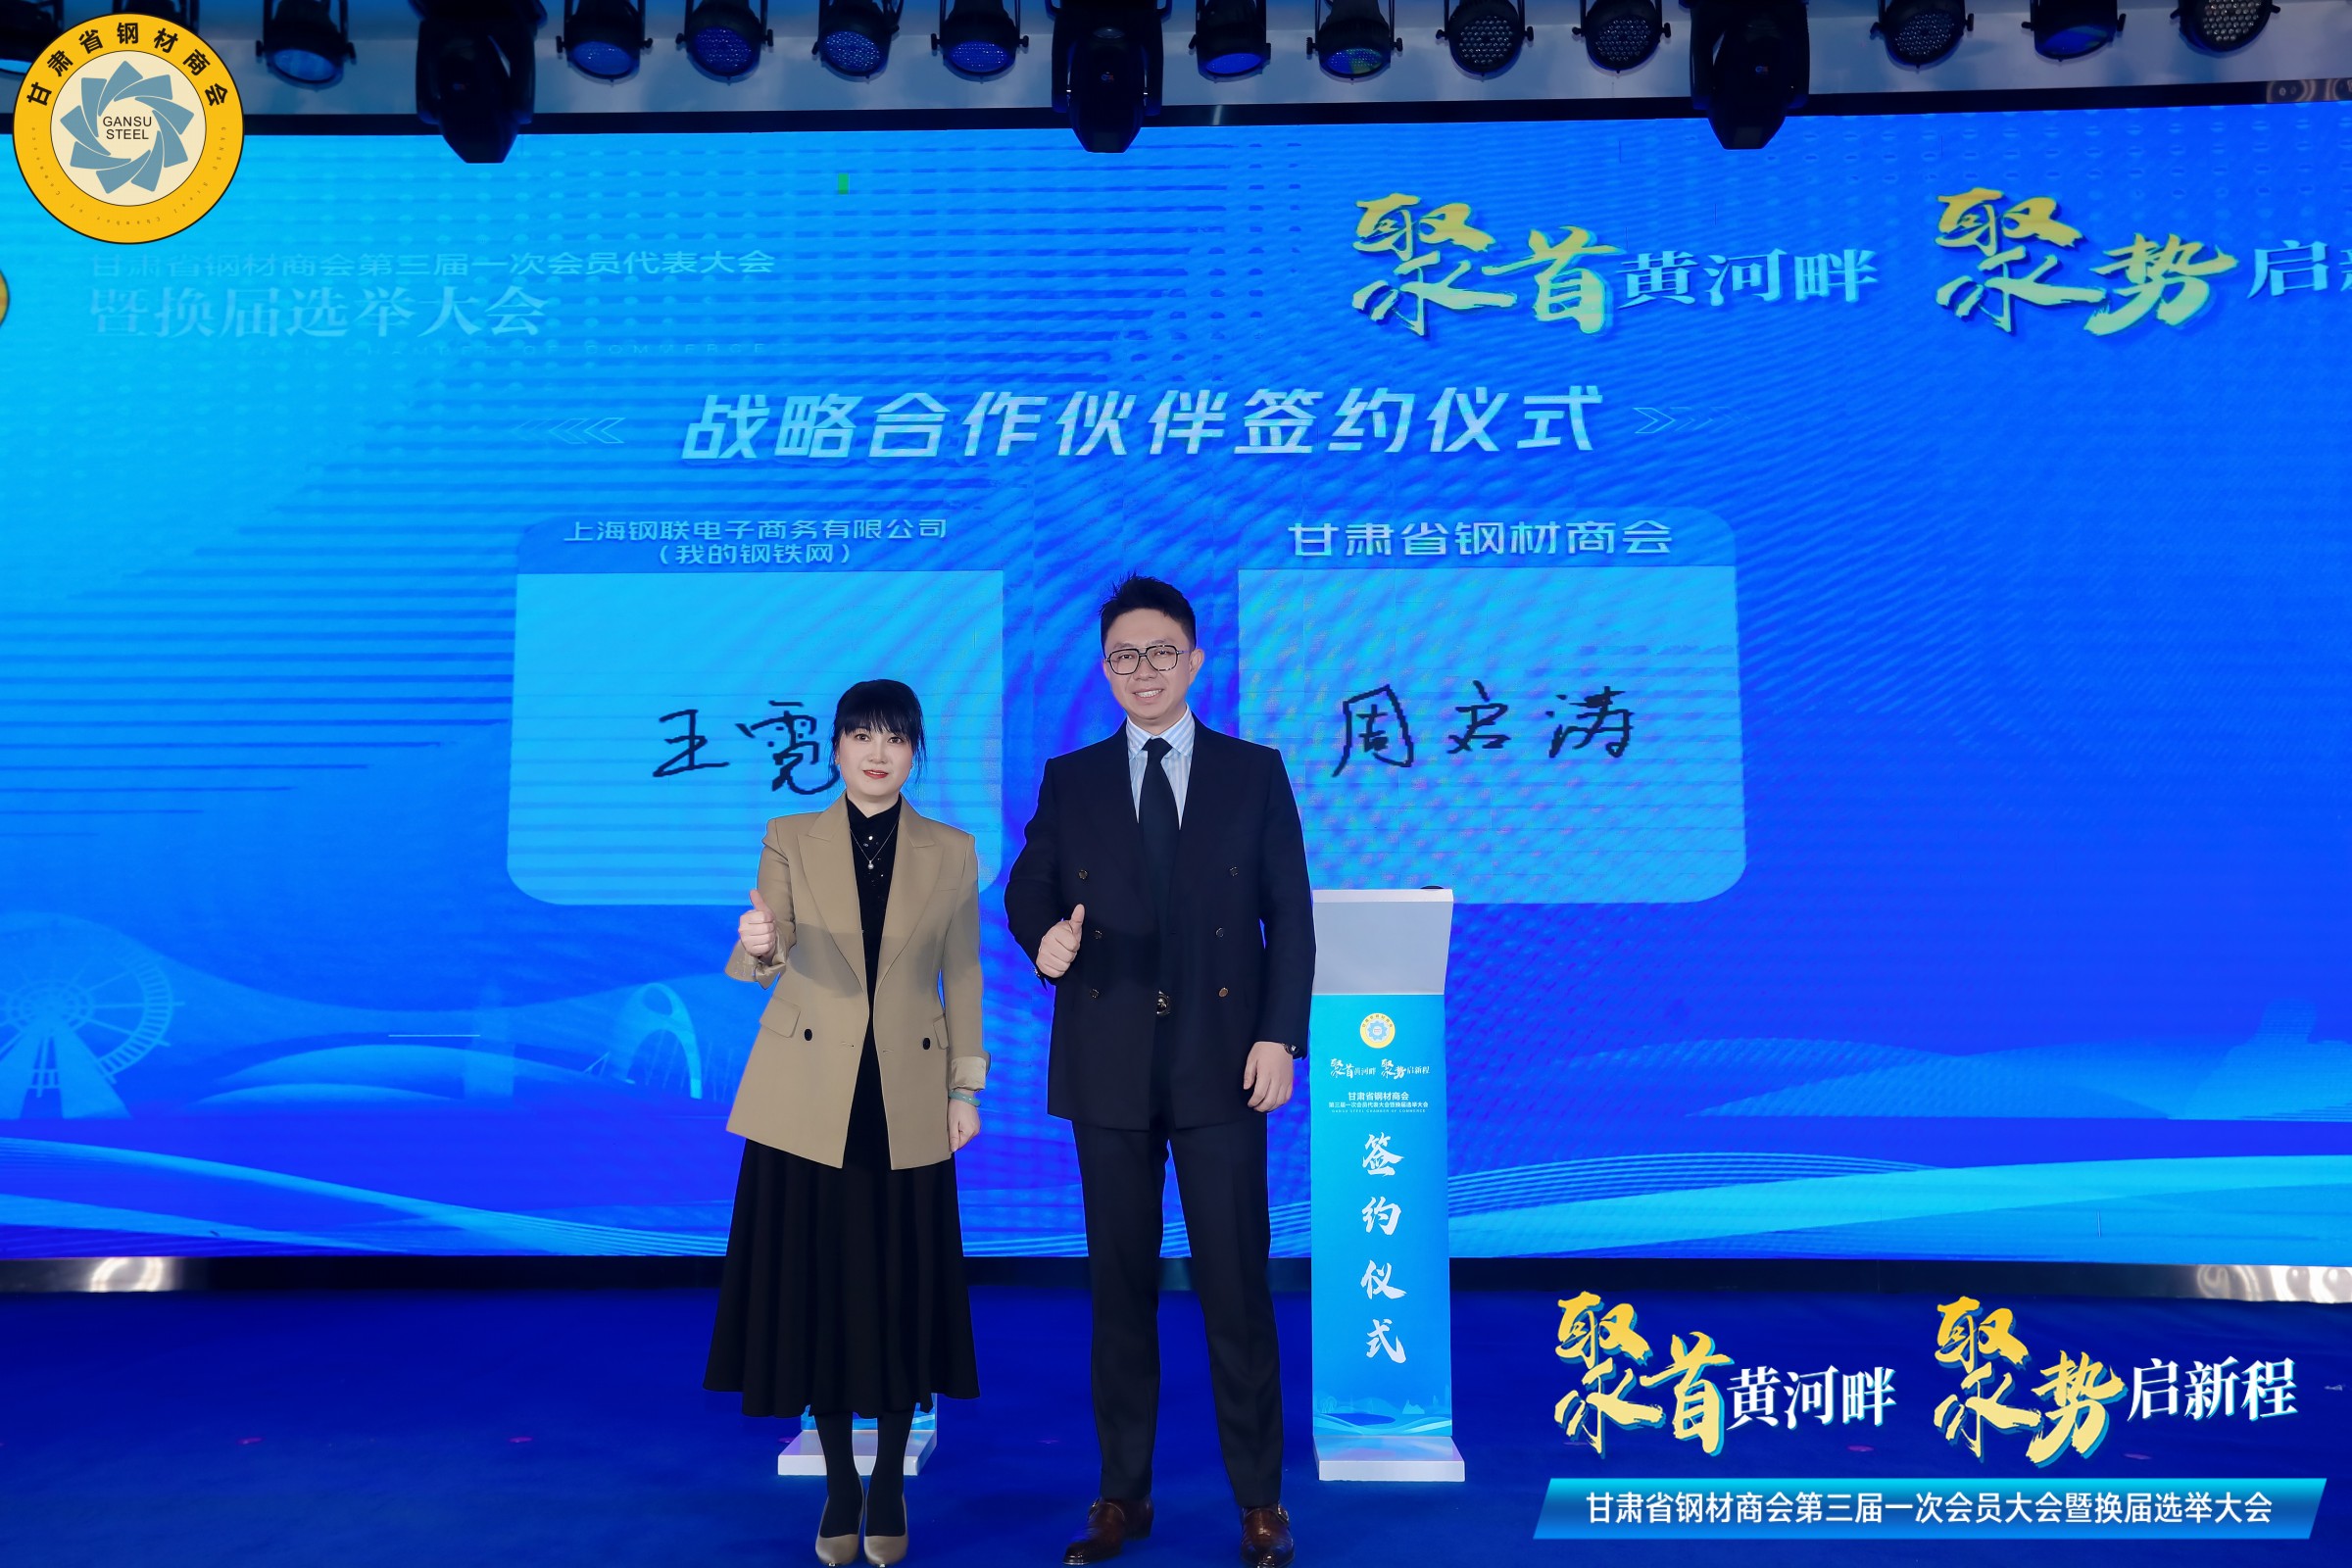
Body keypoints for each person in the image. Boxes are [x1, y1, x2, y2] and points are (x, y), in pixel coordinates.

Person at [1005, 575, 1315, 1568]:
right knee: (1119, 1289)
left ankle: (1260, 1503)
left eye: (1162, 653)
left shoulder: (1253, 773)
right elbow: (1028, 885)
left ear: (1195, 661)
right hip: (1109, 1063)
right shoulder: (1073, 778)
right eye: (1125, 657)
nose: (1144, 671)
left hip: (1223, 1062)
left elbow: (1291, 916)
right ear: (1106, 670)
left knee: (1237, 1288)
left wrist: (1280, 1037)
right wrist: (1043, 940)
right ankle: (1121, 1497)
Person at [705, 679, 986, 1568]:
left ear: (915, 754)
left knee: (899, 1290)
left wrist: (966, 1087)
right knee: (818, 1293)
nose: (877, 752)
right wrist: (757, 945)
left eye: (895, 738)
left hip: (906, 1094)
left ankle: (890, 1483)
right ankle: (837, 1485)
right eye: (861, 735)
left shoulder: (952, 850)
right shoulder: (791, 835)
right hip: (807, 1098)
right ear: (833, 749)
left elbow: (964, 974)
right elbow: (767, 946)